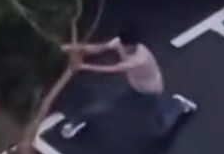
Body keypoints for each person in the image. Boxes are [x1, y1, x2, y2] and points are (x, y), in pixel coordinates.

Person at [60, 26, 197, 140]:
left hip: (149, 92)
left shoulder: (140, 59)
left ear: (135, 45)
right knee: (102, 105)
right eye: (124, 45)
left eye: (128, 47)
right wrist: (72, 47)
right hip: (132, 85)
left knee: (159, 129)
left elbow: (114, 69)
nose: (125, 49)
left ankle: (179, 105)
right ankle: (77, 122)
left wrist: (83, 66)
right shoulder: (118, 43)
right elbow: (97, 48)